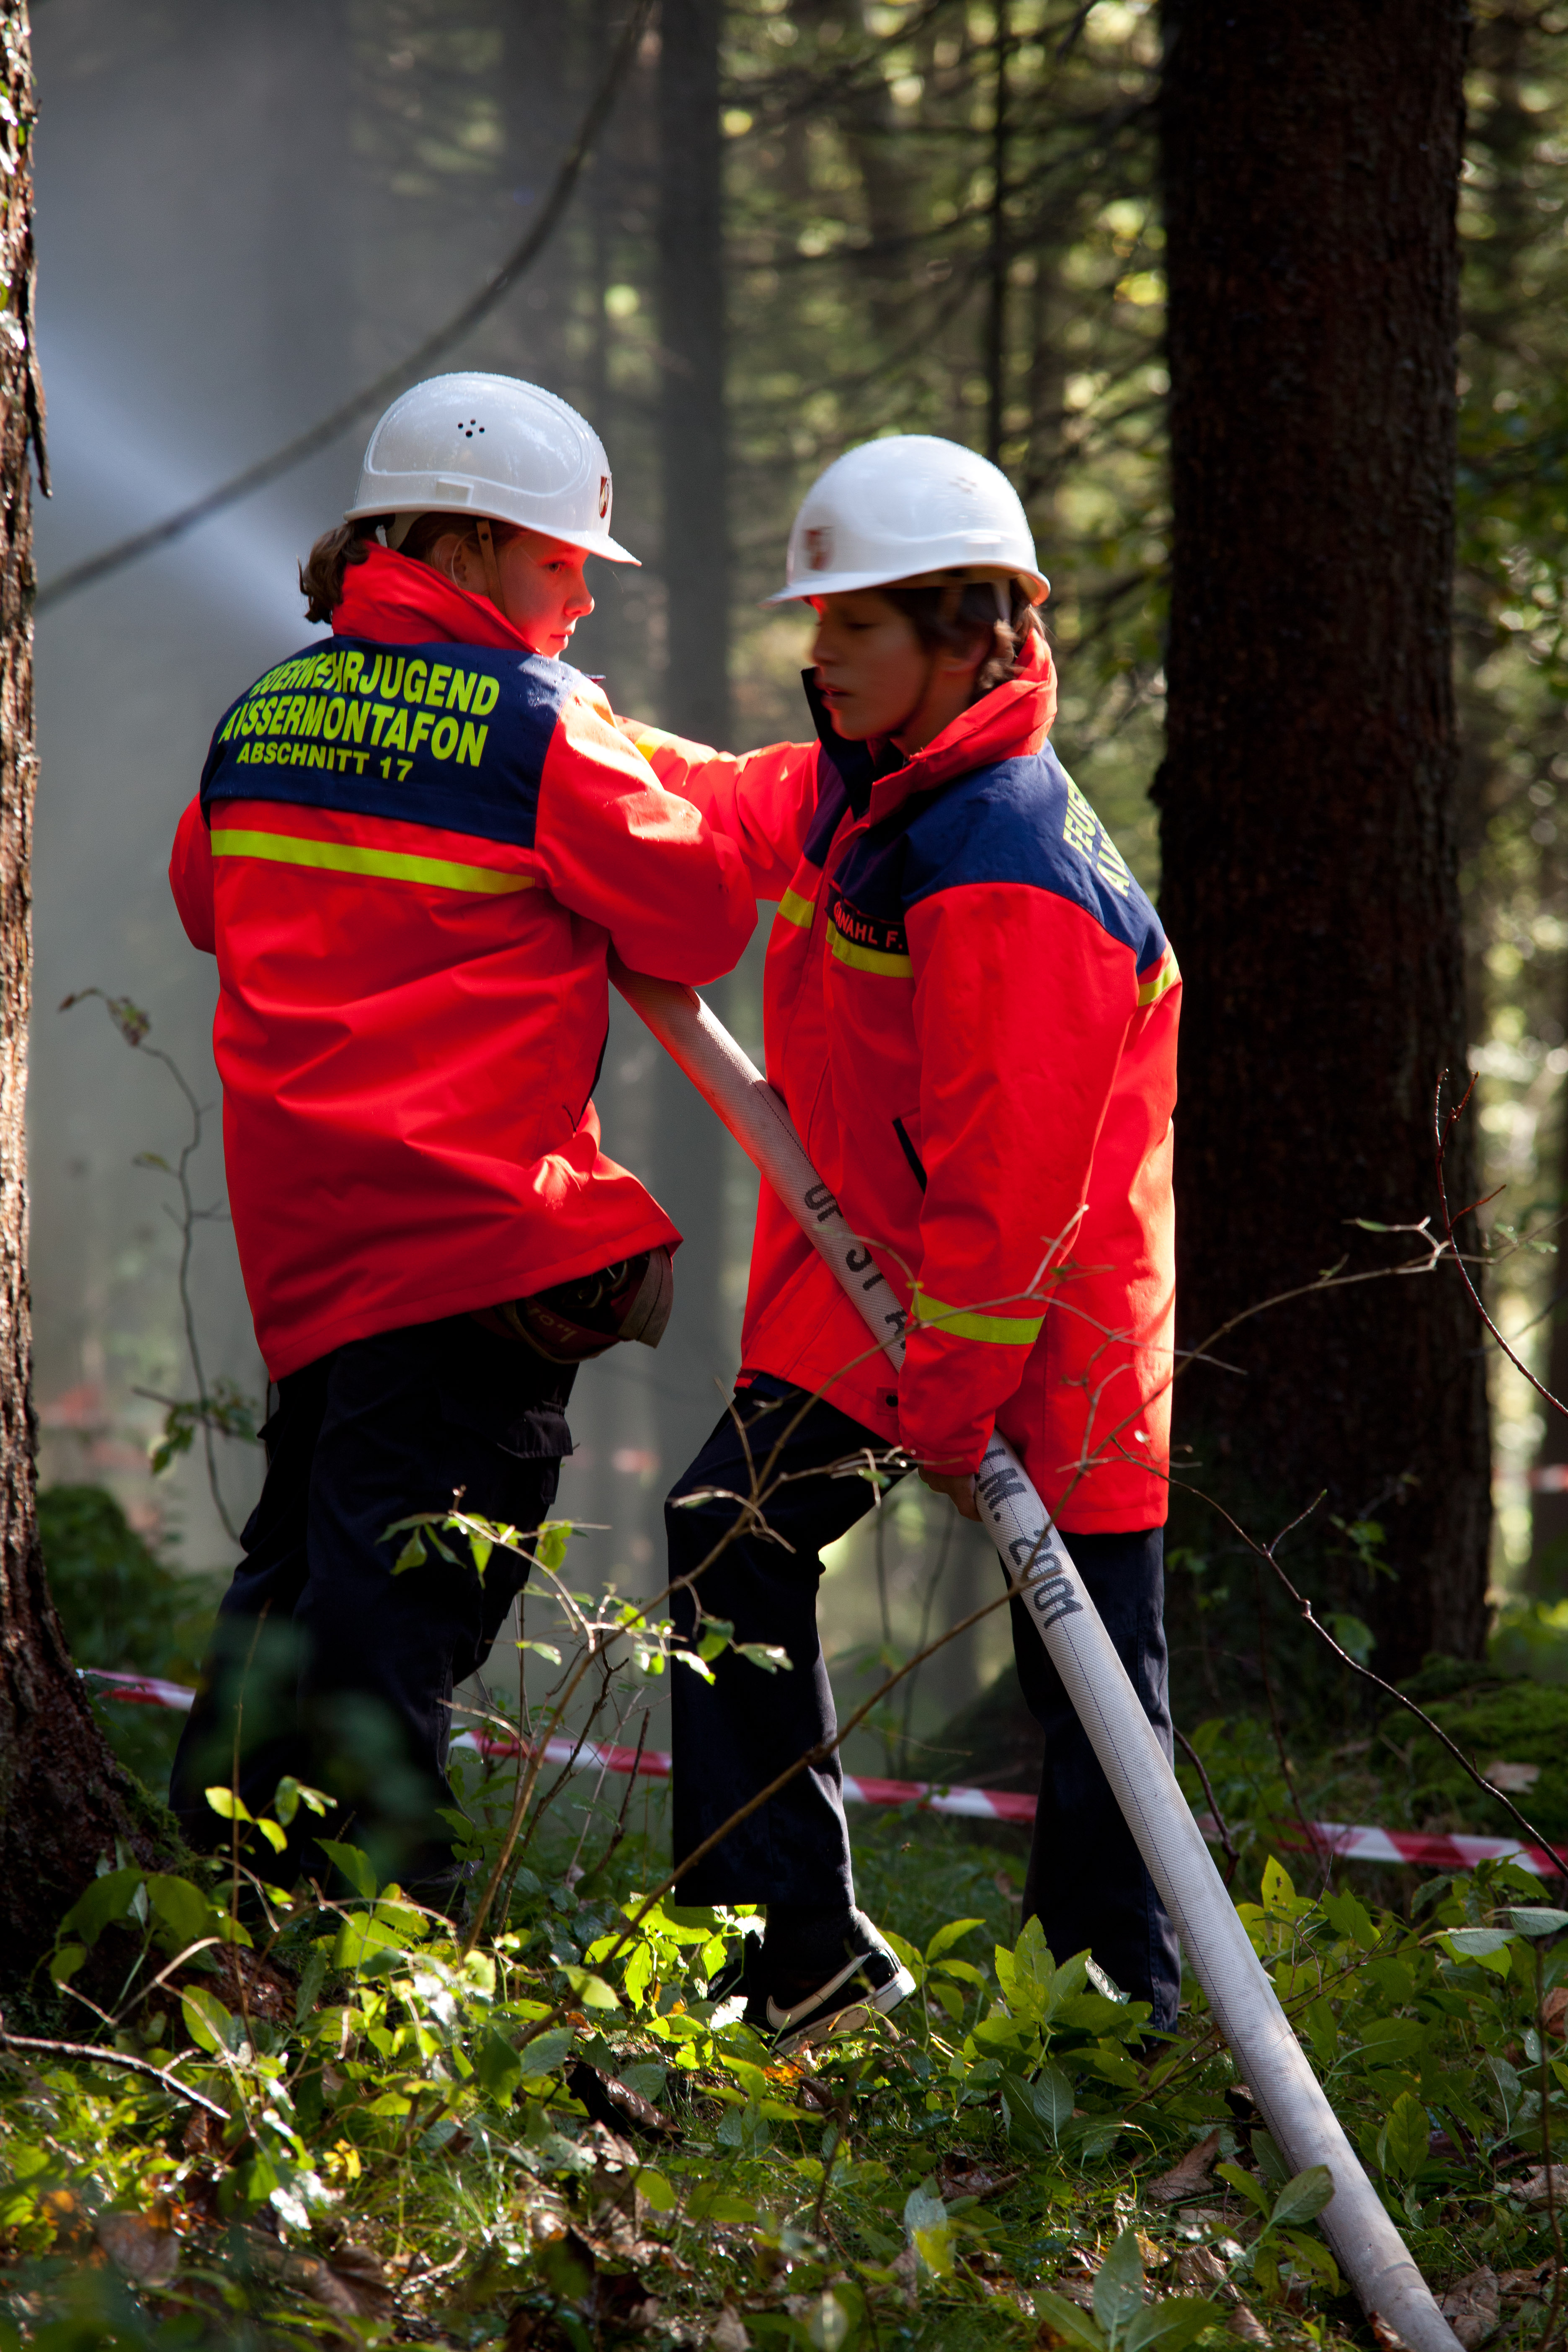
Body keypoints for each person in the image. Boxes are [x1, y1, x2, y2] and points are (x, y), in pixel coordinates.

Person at [624, 434, 1181, 2052]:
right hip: (886, 1275)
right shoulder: (863, 784)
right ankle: (791, 1956)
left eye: (858, 623)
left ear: (970, 631)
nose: (823, 652)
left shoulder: (1008, 858)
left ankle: (1104, 2031)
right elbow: (721, 798)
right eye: (821, 619)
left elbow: (1015, 1188)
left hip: (1049, 1317)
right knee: (729, 1530)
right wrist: (563, 733)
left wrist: (950, 1395)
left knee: (1093, 1676)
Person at [167, 371, 755, 1901]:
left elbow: (204, 903)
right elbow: (703, 916)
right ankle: (390, 1943)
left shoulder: (263, 711)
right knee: (400, 1615)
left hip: (314, 1259)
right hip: (470, 1254)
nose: (584, 599)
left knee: (299, 1573)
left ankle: (213, 1894)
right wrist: (615, 751)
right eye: (563, 563)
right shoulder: (544, 728)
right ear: (472, 546)